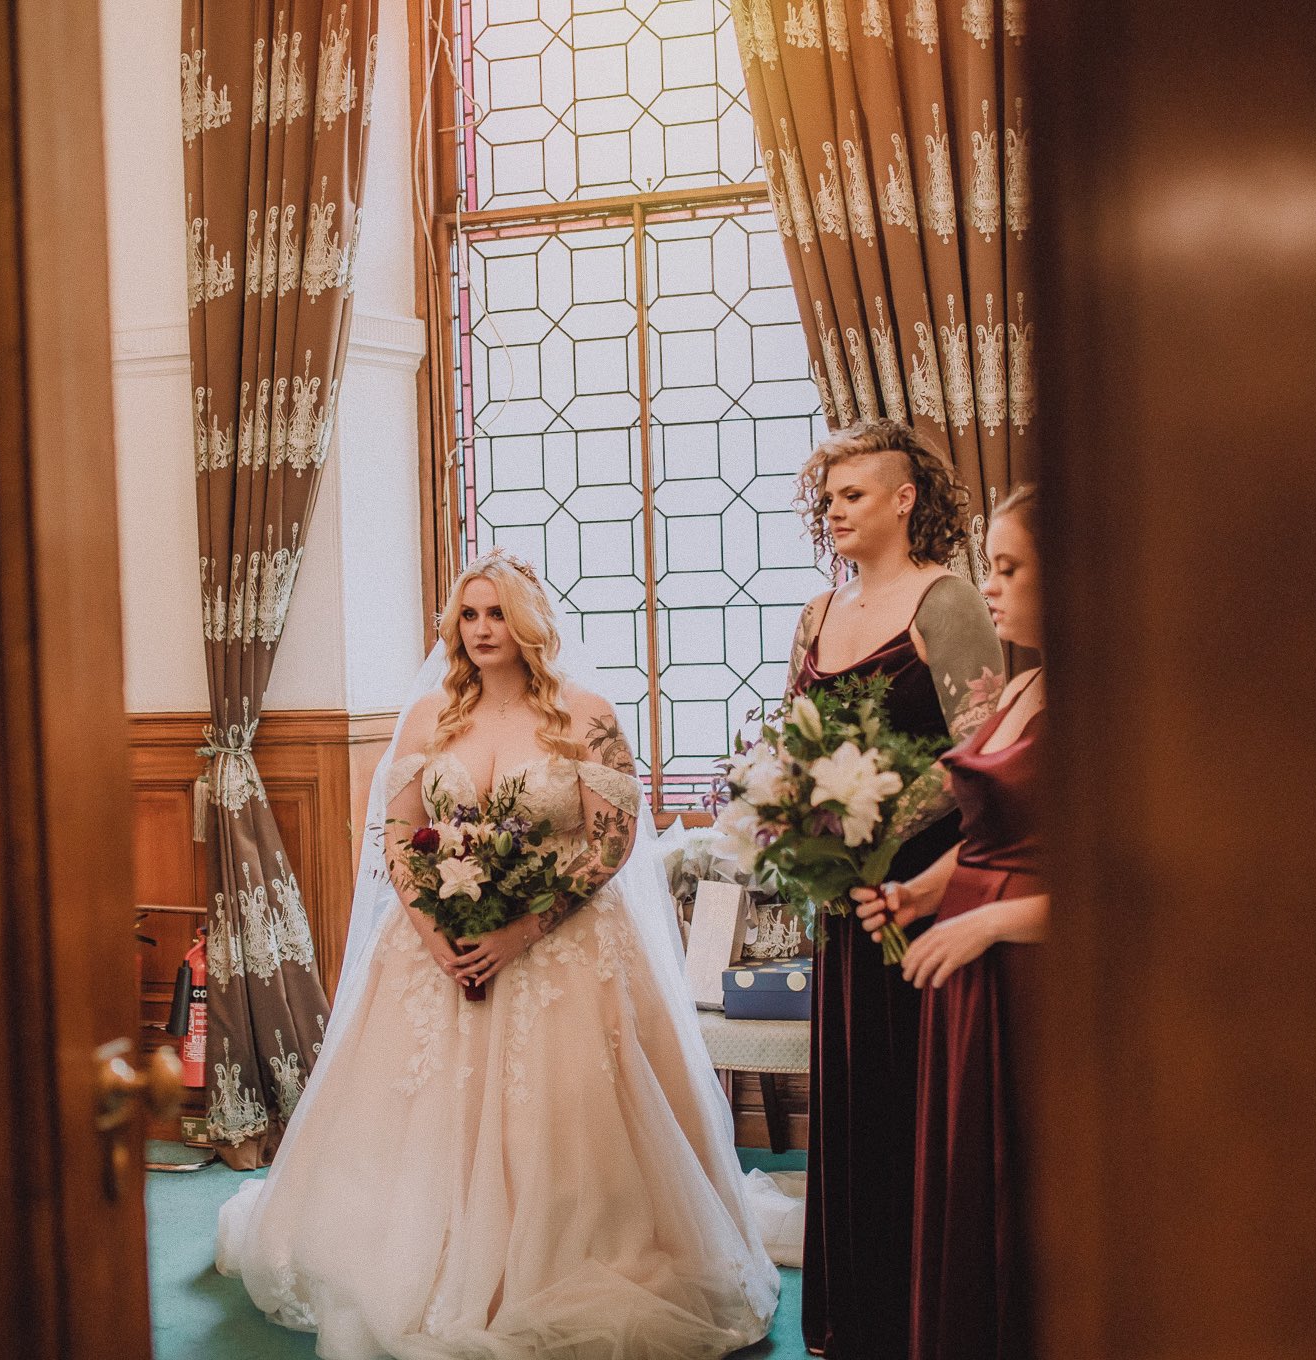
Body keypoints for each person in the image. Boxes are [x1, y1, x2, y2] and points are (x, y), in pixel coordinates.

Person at [217, 548, 779, 1360]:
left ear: (529, 624)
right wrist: (435, 934)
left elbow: (613, 840)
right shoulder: (429, 717)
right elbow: (398, 838)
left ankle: (560, 1255)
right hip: (434, 952)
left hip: (564, 946)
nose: (482, 630)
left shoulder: (585, 714)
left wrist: (522, 930)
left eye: (496, 614)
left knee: (564, 1120)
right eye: (469, 616)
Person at [785, 421, 1005, 1359]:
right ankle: (855, 1315)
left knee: (921, 1097)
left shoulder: (947, 600)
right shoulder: (815, 614)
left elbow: (987, 751)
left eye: (854, 495)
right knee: (853, 1089)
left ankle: (924, 1318)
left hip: (928, 887)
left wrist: (874, 830)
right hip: (843, 893)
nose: (834, 510)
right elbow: (796, 737)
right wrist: (799, 823)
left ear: (905, 498)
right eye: (828, 497)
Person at [855, 485, 1047, 1360]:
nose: (991, 589)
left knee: (1022, 1189)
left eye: (1008, 569)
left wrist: (992, 924)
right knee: (966, 1182)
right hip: (966, 959)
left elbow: (1124, 883)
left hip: (1036, 975)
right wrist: (923, 895)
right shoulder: (1029, 680)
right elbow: (989, 835)